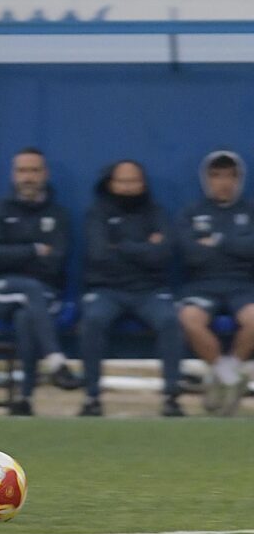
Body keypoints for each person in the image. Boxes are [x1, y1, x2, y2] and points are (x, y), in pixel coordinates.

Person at [78, 160, 184, 417]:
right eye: (121, 181)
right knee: (92, 321)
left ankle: (171, 397)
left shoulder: (156, 212)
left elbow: (163, 255)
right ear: (111, 183)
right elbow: (98, 254)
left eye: (133, 181)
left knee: (170, 321)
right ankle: (92, 398)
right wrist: (144, 246)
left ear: (143, 183)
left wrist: (120, 246)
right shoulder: (97, 212)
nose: (127, 187)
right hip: (107, 289)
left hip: (149, 290)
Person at [0, 147, 77, 416]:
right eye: (23, 171)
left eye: (34, 170)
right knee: (29, 291)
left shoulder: (58, 214)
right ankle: (56, 361)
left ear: (44, 174)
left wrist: (16, 253)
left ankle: (23, 399)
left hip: (45, 294)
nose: (28, 177)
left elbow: (57, 260)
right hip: (2, 292)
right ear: (14, 175)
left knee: (27, 316)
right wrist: (35, 250)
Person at [177, 150, 254, 416]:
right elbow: (190, 254)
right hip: (202, 284)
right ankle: (229, 377)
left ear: (239, 179)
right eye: (217, 176)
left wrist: (218, 241)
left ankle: (225, 374)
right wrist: (235, 244)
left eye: (230, 176)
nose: (223, 182)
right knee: (189, 318)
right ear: (206, 179)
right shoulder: (191, 212)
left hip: (242, 284)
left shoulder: (250, 210)